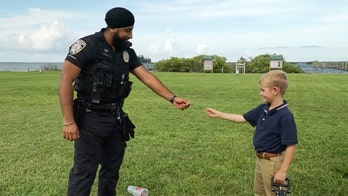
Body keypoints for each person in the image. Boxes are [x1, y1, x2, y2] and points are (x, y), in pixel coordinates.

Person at [59, 7, 190, 196]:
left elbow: (146, 76)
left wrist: (173, 98)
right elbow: (65, 81)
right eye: (127, 30)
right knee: (84, 172)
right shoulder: (86, 46)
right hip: (89, 118)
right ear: (113, 28)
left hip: (115, 118)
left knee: (111, 171)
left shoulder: (126, 52)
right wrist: (68, 121)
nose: (131, 35)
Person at [205, 70, 297, 196]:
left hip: (273, 163)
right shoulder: (263, 109)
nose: (261, 93)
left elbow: (291, 144)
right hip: (260, 160)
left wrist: (282, 170)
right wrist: (219, 114)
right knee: (259, 193)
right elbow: (241, 118)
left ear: (275, 90)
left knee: (273, 194)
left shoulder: (285, 115)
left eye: (263, 90)